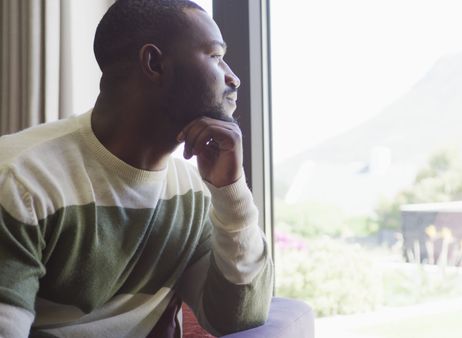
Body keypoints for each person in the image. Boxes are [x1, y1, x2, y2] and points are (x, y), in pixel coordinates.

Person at [0, 0, 273, 337]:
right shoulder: (21, 178)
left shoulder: (194, 193)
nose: (233, 78)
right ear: (154, 62)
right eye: (216, 56)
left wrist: (232, 190)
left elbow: (239, 316)